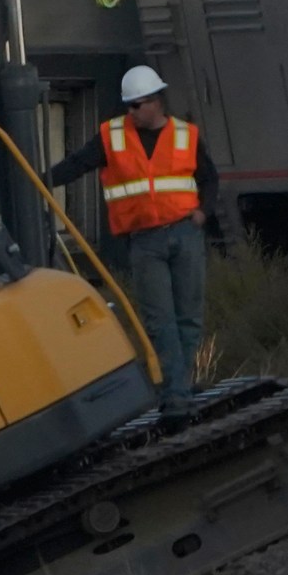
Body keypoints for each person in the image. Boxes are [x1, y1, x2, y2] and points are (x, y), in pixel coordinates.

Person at [42, 65, 216, 423]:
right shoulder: (112, 137)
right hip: (144, 241)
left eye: (139, 105)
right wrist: (38, 179)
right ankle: (178, 398)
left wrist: (203, 213)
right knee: (160, 320)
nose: (133, 112)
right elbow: (77, 164)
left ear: (157, 102)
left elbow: (208, 178)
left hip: (184, 234)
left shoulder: (186, 135)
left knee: (188, 318)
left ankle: (178, 389)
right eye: (130, 106)